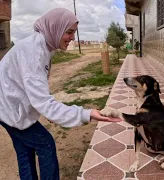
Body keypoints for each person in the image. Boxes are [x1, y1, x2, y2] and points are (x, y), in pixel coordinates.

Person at [0, 8, 120, 180]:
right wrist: (87, 113)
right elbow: (41, 98)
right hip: (8, 108)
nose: (72, 38)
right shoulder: (34, 51)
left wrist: (48, 109)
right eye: (69, 32)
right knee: (45, 144)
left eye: (74, 33)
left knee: (25, 151)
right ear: (55, 27)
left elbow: (36, 87)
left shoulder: (44, 46)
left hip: (7, 104)